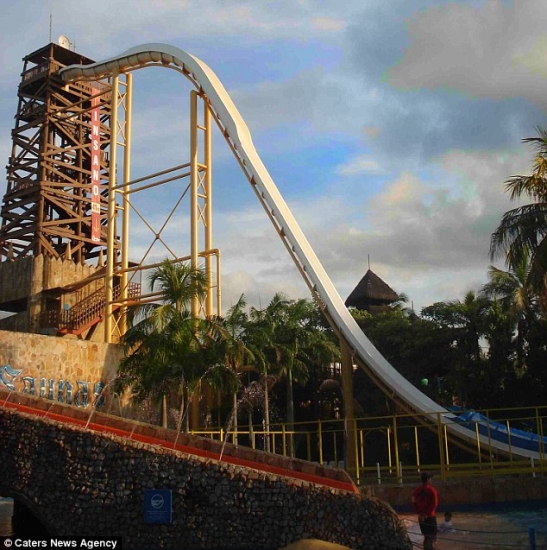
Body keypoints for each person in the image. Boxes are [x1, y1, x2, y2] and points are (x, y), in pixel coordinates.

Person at [412, 472, 438, 550]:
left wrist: (420, 513)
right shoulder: (432, 491)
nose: (431, 480)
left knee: (426, 536)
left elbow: (413, 503)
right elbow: (434, 504)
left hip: (421, 517)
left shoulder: (416, 491)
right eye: (430, 479)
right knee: (432, 537)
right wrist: (427, 514)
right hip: (430, 517)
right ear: (428, 480)